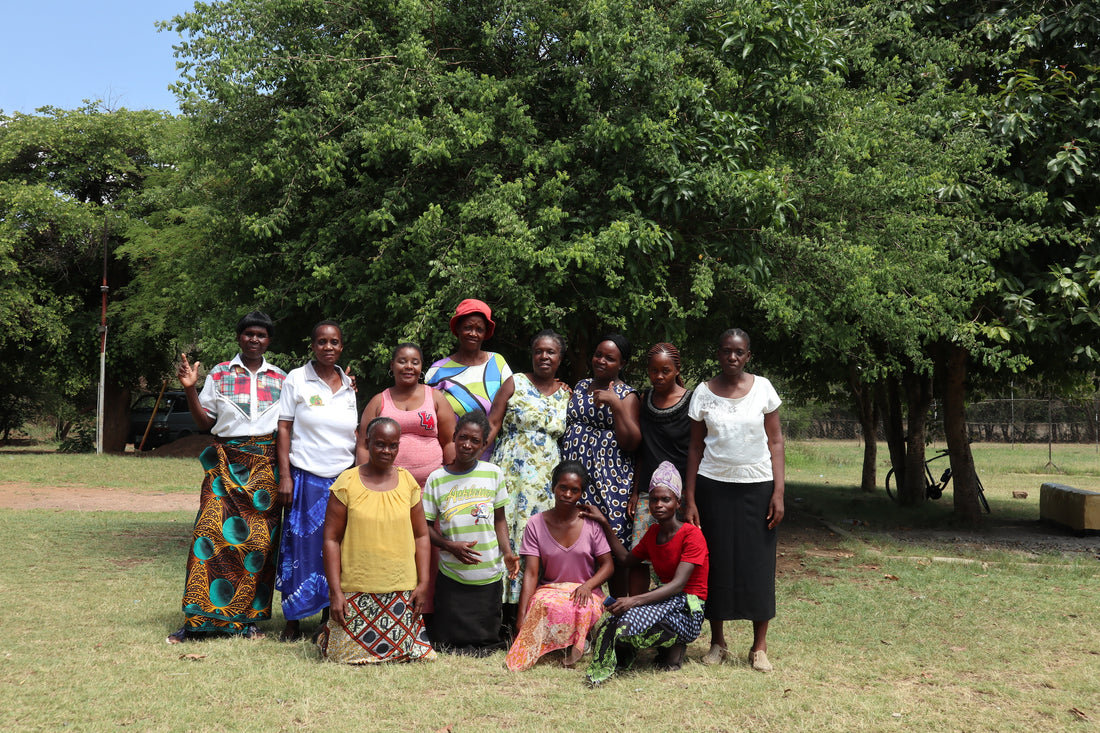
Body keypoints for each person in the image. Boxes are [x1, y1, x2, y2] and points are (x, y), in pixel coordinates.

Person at [167, 311, 287, 643]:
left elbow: (292, 426)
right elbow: (205, 423)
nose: (254, 339)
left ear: (269, 341)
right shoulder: (219, 374)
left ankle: (247, 622)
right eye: (249, 333)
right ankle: (199, 622)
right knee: (207, 534)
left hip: (265, 470)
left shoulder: (282, 378)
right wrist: (190, 389)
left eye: (261, 335)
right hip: (224, 466)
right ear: (239, 337)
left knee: (258, 545)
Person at [682, 328, 785, 672]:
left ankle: (759, 647)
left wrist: (779, 492)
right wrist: (691, 496)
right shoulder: (703, 393)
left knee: (759, 565)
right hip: (714, 487)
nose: (732, 358)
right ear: (718, 354)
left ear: (748, 356)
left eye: (739, 352)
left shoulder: (763, 389)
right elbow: (695, 447)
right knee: (717, 565)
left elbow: (775, 443)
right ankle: (718, 642)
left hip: (758, 487)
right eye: (726, 351)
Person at [318, 417, 436, 663]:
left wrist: (423, 582)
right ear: (367, 442)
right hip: (355, 589)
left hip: (400, 589)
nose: (387, 451)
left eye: (393, 445)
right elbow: (331, 539)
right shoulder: (347, 483)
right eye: (380, 444)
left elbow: (421, 535)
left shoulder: (408, 482)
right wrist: (335, 591)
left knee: (405, 654)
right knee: (341, 657)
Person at [581, 462, 709, 685]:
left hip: (689, 607)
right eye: (654, 499)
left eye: (666, 499)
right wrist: (603, 522)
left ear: (678, 503)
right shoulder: (653, 533)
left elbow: (679, 585)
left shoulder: (692, 535)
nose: (658, 505)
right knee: (614, 621)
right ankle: (639, 653)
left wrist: (634, 601)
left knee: (627, 621)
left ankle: (676, 643)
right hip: (667, 600)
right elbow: (625, 559)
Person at [274, 320, 357, 642]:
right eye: (322, 342)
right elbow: (283, 428)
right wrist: (285, 476)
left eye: (334, 342)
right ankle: (292, 622)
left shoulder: (348, 385)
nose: (328, 347)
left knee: (333, 550)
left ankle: (327, 618)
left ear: (341, 347)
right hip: (305, 478)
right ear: (312, 346)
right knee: (299, 550)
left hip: (341, 481)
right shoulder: (297, 379)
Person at [487, 329, 571, 611]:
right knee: (506, 533)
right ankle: (501, 610)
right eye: (539, 351)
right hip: (511, 472)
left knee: (537, 538)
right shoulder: (515, 382)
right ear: (532, 354)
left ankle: (534, 609)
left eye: (551, 352)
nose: (544, 356)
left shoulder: (566, 394)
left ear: (560, 358)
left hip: (547, 478)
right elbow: (493, 424)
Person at [422, 411, 519, 654]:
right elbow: (424, 527)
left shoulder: (493, 474)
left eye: (475, 440)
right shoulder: (437, 478)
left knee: (485, 641)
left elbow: (499, 520)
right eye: (463, 437)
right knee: (447, 643)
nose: (467, 445)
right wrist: (448, 546)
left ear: (484, 444)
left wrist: (507, 552)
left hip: (488, 571)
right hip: (452, 573)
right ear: (453, 437)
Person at [505, 461, 614, 671]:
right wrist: (521, 619)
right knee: (542, 604)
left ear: (581, 493)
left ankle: (578, 645)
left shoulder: (591, 524)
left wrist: (587, 586)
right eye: (562, 487)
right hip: (551, 590)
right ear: (553, 487)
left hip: (586, 591)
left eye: (575, 490)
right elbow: (531, 573)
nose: (567, 494)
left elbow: (608, 565)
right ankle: (564, 643)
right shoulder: (536, 523)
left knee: (584, 605)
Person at [559, 333, 640, 595]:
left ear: (622, 364)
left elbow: (632, 442)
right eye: (598, 355)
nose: (601, 361)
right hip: (577, 478)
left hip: (610, 481)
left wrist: (616, 405)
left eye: (610, 358)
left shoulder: (627, 395)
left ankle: (618, 618)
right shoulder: (580, 386)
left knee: (613, 550)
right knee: (578, 545)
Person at [629, 343, 693, 595]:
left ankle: (674, 613)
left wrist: (690, 496)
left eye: (665, 370)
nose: (658, 376)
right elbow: (643, 450)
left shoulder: (691, 401)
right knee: (639, 555)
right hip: (649, 493)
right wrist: (636, 492)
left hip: (679, 497)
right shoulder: (645, 399)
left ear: (677, 369)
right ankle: (634, 611)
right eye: (653, 370)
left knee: (675, 554)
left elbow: (696, 451)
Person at [358, 342, 457, 484]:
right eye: (402, 362)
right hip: (388, 488)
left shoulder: (436, 398)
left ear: (421, 366)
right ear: (392, 365)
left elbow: (449, 443)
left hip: (431, 488)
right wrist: (364, 483)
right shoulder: (378, 401)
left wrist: (452, 480)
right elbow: (363, 446)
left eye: (415, 362)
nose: (409, 366)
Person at [425, 298, 512, 457]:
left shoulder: (498, 364)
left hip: (491, 459)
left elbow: (520, 400)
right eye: (467, 327)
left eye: (479, 329)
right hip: (449, 459)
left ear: (486, 333)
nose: (473, 333)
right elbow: (427, 417)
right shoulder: (438, 370)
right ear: (457, 329)